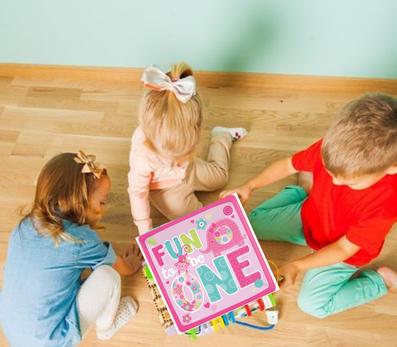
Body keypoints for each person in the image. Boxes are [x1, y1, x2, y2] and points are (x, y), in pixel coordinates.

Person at [221, 93, 397, 318]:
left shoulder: (386, 204)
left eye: (348, 182)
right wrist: (249, 186)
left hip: (343, 251)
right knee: (250, 224)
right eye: (330, 172)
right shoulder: (332, 149)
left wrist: (296, 266)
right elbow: (288, 164)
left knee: (313, 305)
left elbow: (344, 248)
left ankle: (380, 282)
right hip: (311, 219)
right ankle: (302, 189)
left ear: (392, 167)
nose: (334, 182)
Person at [0, 150, 142, 347]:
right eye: (102, 202)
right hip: (53, 338)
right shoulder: (79, 239)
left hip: (12, 329)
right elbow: (116, 266)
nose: (105, 208)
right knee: (108, 276)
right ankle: (107, 328)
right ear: (77, 203)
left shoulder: (24, 226)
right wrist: (130, 266)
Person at [128, 62, 247, 235]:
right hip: (165, 190)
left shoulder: (188, 128)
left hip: (190, 170)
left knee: (220, 178)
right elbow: (137, 192)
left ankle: (222, 135)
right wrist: (144, 228)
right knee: (199, 225)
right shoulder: (142, 154)